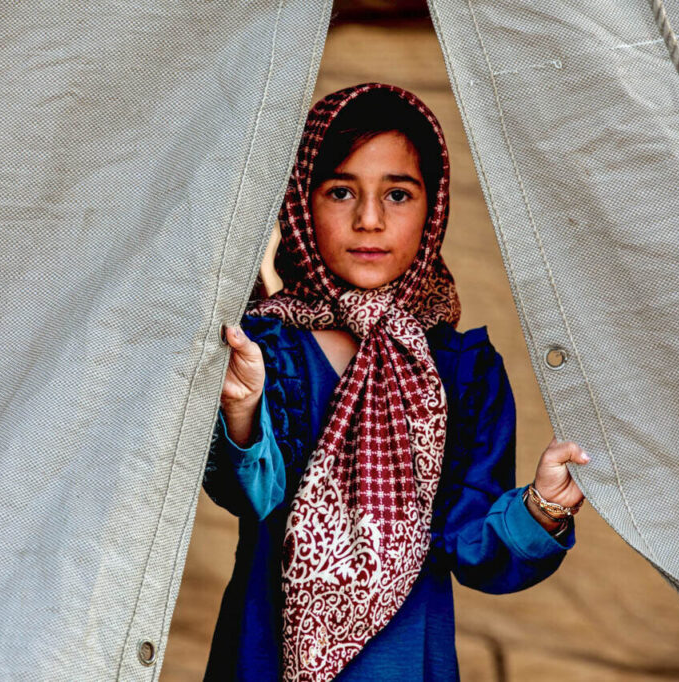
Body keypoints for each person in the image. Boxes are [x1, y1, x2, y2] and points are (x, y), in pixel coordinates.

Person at [202, 82, 589, 682]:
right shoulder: (262, 347)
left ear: (433, 209)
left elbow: (471, 542)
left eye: (398, 194)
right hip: (264, 656)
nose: (369, 219)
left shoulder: (461, 370)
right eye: (340, 191)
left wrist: (541, 506)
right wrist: (243, 412)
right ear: (301, 204)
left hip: (409, 661)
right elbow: (248, 495)